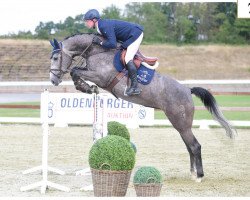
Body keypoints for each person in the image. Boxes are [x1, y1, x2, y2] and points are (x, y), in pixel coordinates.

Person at [83, 9, 143, 96]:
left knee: (127, 58)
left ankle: (135, 87)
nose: (86, 23)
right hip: (129, 36)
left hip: (135, 34)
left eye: (87, 21)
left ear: (94, 20)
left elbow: (112, 44)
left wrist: (100, 43)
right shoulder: (100, 26)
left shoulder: (103, 26)